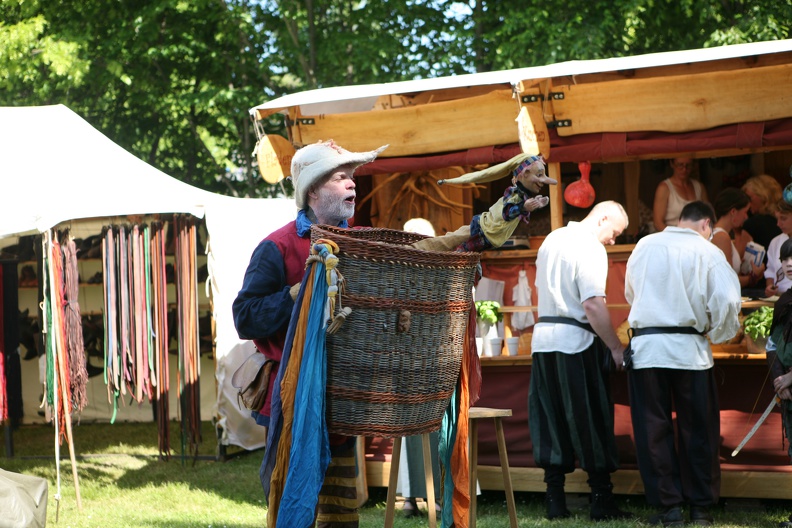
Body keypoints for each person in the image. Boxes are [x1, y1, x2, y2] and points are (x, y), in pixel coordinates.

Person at [233, 139, 386, 527]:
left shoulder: (363, 241)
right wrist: (294, 296)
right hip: (291, 400)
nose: (353, 184)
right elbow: (245, 316)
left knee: (340, 515)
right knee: (294, 508)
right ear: (313, 190)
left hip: (341, 402)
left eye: (353, 177)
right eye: (340, 177)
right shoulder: (277, 247)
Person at [625, 201, 742, 527]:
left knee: (653, 429)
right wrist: (717, 333)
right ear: (706, 224)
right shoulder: (706, 251)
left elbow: (632, 293)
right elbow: (729, 299)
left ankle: (669, 509)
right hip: (689, 350)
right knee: (698, 429)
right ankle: (700, 508)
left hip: (648, 349)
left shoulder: (645, 245)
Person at [529, 200, 632, 522]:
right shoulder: (590, 247)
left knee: (550, 419)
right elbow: (592, 305)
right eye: (614, 232)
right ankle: (601, 500)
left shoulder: (552, 238)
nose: (613, 240)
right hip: (575, 342)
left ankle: (554, 500)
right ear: (602, 218)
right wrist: (615, 348)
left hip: (543, 340)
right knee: (590, 418)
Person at [764, 239, 792, 528]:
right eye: (785, 259)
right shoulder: (784, 300)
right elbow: (772, 344)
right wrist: (779, 379)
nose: (789, 263)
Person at [711, 188, 764, 289]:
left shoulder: (721, 234)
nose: (746, 217)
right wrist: (753, 277)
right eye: (745, 212)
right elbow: (727, 279)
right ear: (733, 211)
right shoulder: (721, 236)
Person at [652, 156, 708, 232]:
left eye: (688, 165)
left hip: (696, 237)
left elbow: (708, 215)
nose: (684, 169)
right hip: (672, 237)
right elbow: (658, 223)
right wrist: (675, 237)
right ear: (672, 164)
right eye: (680, 165)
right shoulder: (664, 188)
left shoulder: (699, 187)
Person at [741, 174, 782, 258]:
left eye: (749, 197)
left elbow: (741, 259)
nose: (747, 203)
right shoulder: (785, 221)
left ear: (763, 196)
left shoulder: (752, 224)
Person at [765, 199, 792, 298]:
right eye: (777, 218)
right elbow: (771, 271)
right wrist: (770, 287)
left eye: (783, 218)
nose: (778, 224)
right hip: (779, 300)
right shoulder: (776, 242)